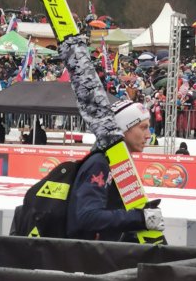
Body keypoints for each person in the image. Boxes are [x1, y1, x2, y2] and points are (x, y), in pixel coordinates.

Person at [66, 99, 165, 242]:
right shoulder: (100, 163)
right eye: (143, 127)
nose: (149, 135)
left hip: (104, 254)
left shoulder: (115, 162)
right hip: (89, 257)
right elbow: (87, 217)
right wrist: (140, 218)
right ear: (123, 129)